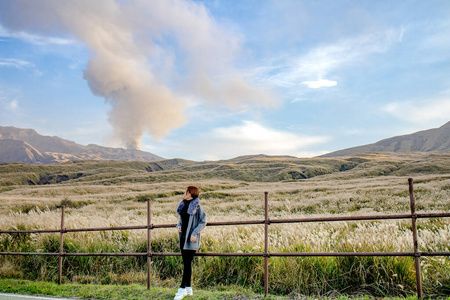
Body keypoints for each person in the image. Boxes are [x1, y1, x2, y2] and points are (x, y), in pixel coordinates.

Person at [173, 186, 207, 300]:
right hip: (183, 238)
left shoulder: (197, 206)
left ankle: (182, 289)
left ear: (190, 193)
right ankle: (188, 288)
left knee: (187, 264)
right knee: (186, 264)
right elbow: (181, 220)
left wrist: (194, 233)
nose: (184, 193)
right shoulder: (183, 205)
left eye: (186, 191)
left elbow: (203, 221)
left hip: (191, 240)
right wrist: (178, 226)